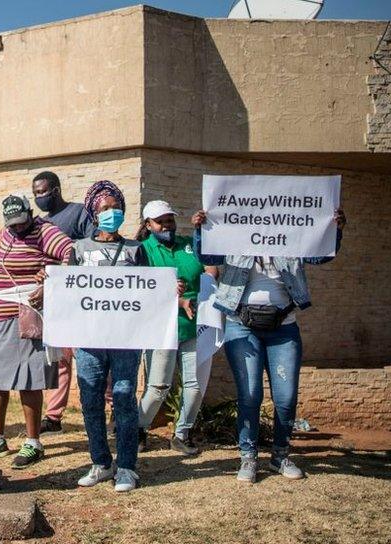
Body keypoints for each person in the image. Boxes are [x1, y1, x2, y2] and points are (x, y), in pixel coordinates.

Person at [192, 206, 346, 483]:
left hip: (283, 328)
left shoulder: (291, 241)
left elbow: (321, 254)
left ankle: (280, 455)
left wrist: (335, 230)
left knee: (286, 398)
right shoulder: (234, 240)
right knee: (250, 395)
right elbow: (207, 255)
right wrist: (201, 230)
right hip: (242, 327)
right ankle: (248, 457)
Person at [0, 195, 73, 470]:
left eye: (21, 223)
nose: (16, 229)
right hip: (2, 313)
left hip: (29, 313)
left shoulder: (45, 232)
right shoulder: (8, 232)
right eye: (12, 224)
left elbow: (71, 253)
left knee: (30, 378)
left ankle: (33, 442)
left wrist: (51, 275)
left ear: (30, 214)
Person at [71, 181, 149, 493]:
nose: (112, 213)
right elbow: (69, 291)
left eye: (116, 208)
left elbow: (148, 290)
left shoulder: (135, 249)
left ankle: (128, 466)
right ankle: (101, 463)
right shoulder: (78, 250)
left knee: (124, 397)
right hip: (89, 340)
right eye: (105, 209)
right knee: (90, 401)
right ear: (93, 213)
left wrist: (169, 291)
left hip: (125, 340)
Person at [135, 200, 218, 455]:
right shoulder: (142, 250)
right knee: (159, 388)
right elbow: (139, 286)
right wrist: (175, 297)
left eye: (169, 220)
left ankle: (182, 433)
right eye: (160, 221)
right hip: (162, 327)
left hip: (196, 325)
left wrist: (209, 278)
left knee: (193, 386)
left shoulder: (187, 244)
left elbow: (210, 265)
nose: (166, 225)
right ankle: (138, 430)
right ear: (148, 225)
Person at [30, 171, 92, 434]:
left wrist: (65, 261)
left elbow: (92, 245)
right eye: (35, 194)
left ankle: (111, 411)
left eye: (42, 192)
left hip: (81, 298)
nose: (39, 198)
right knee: (60, 359)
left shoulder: (79, 213)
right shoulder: (41, 223)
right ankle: (54, 417)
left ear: (55, 189)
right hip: (55, 301)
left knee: (90, 355)